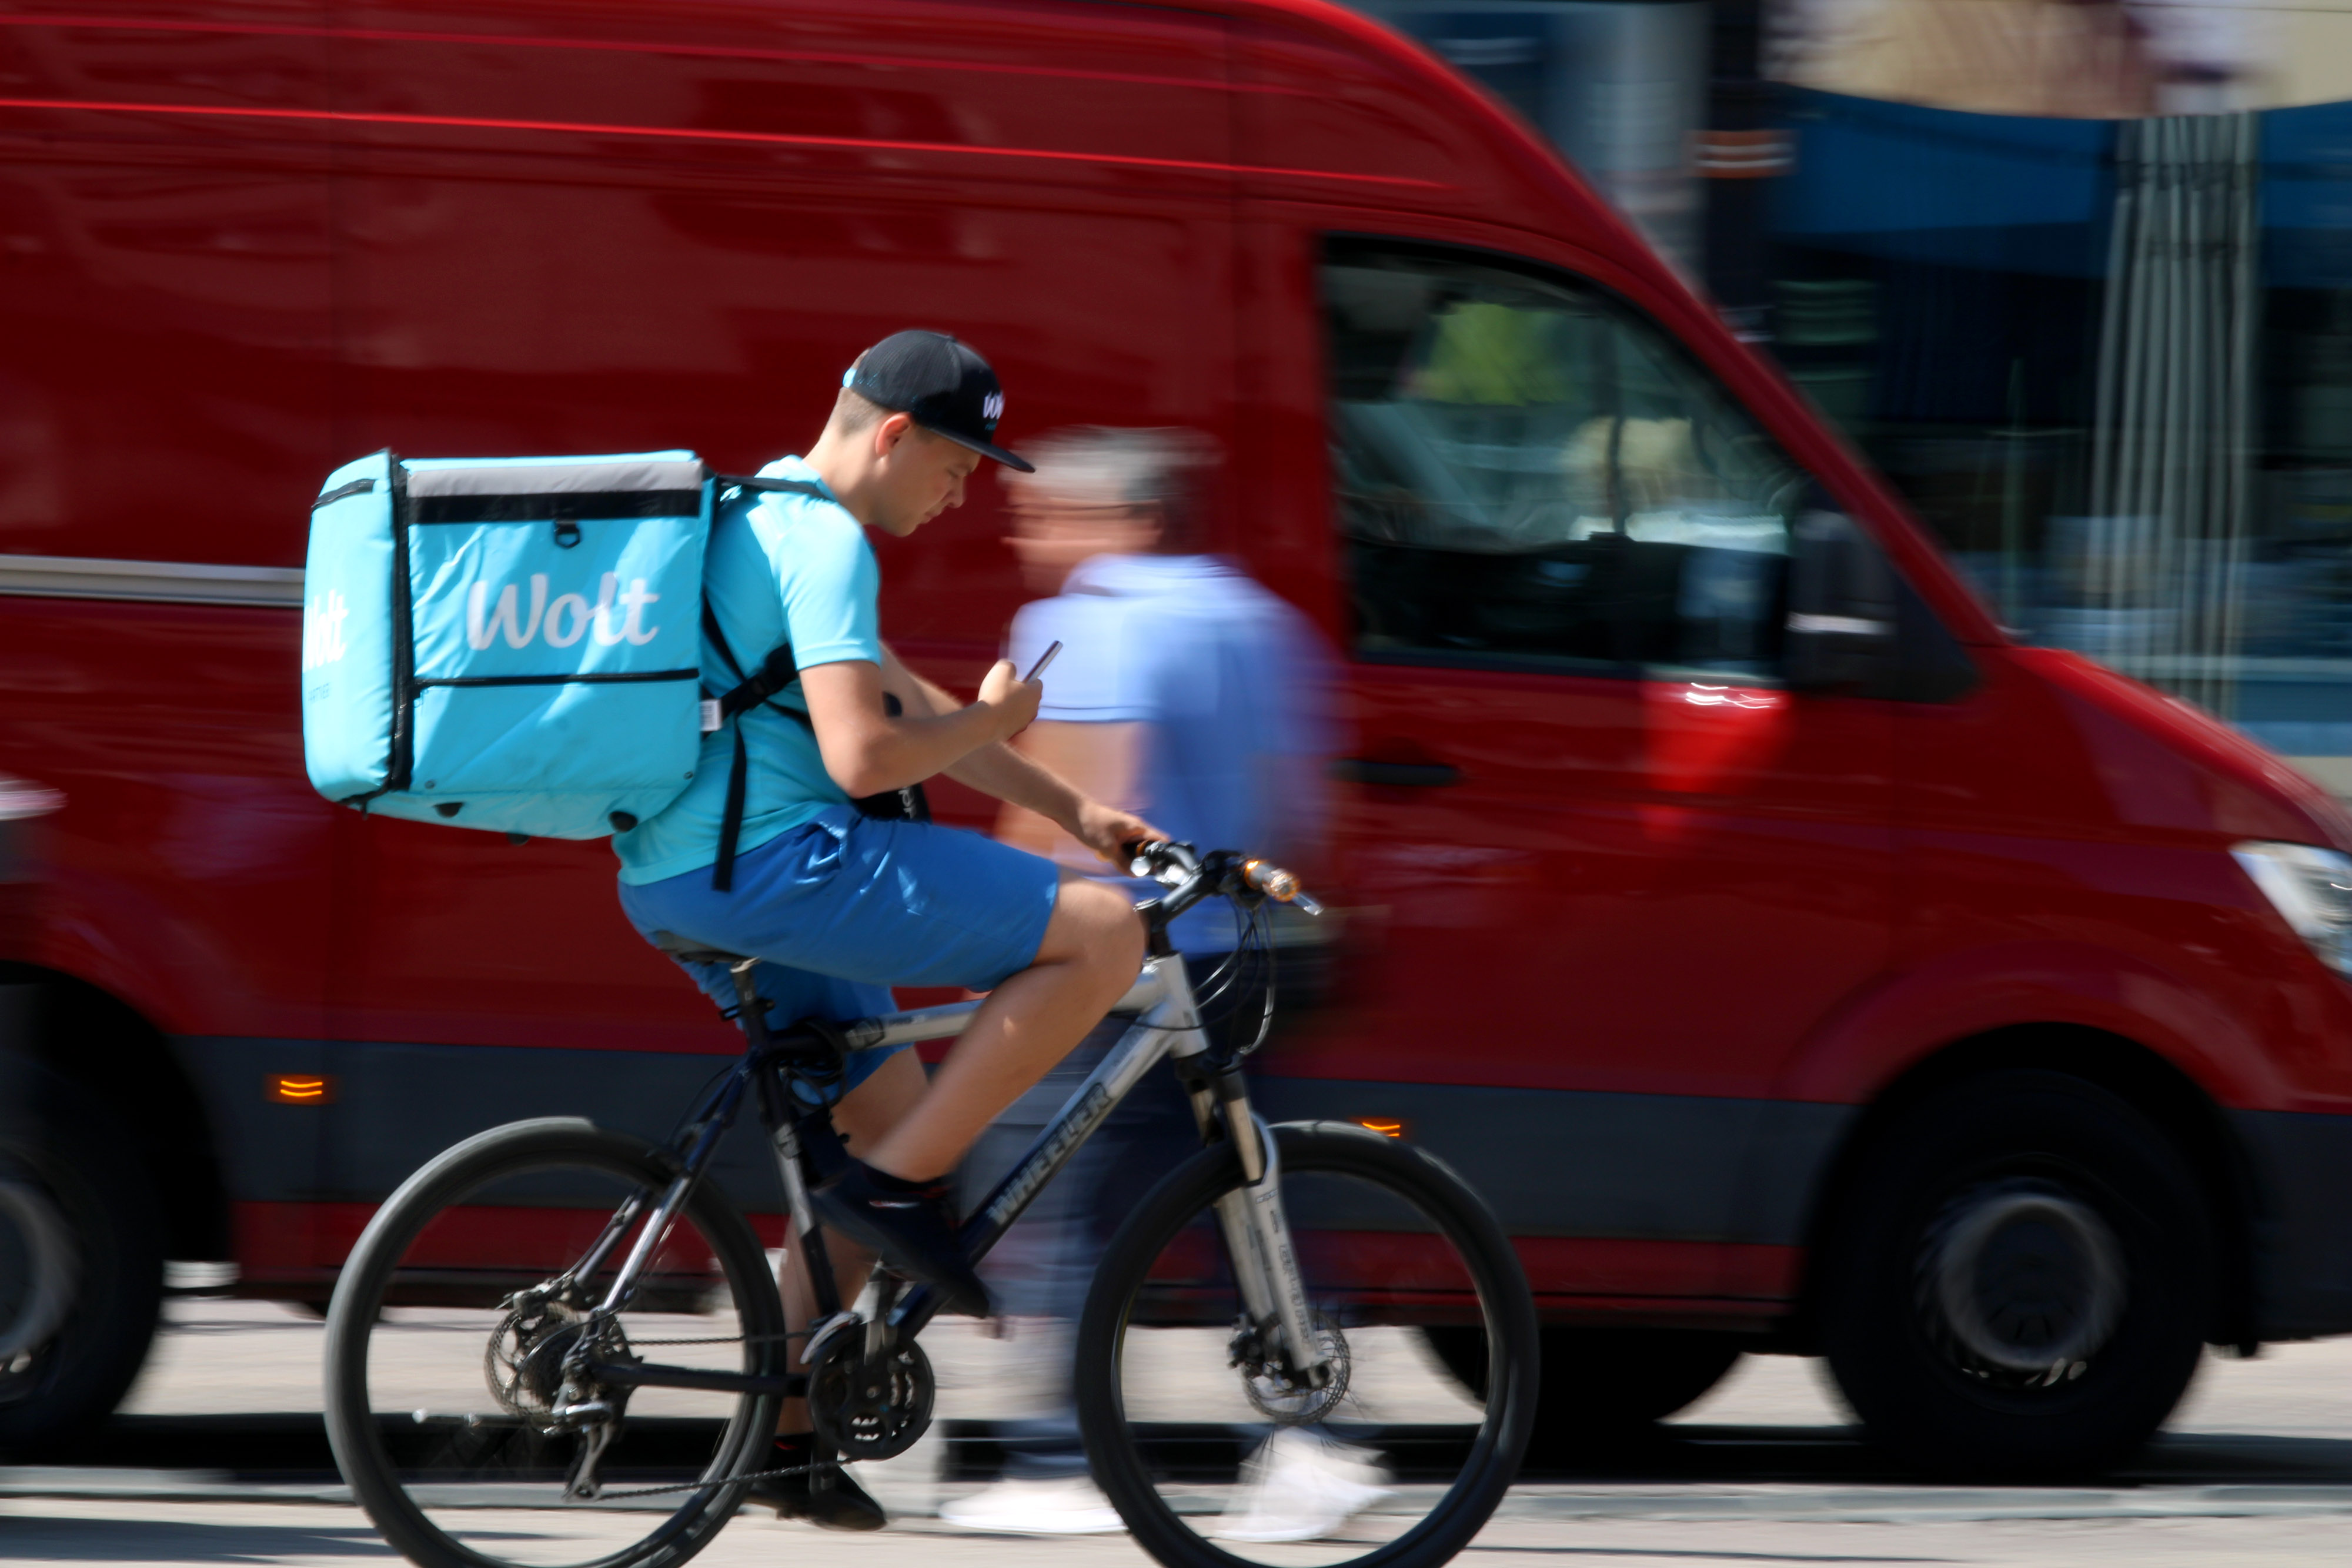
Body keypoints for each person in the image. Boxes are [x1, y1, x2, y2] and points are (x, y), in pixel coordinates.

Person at [610, 333, 1162, 1531]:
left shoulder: (762, 505)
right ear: (895, 435)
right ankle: (898, 1198)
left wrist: (1077, 808)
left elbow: (902, 697)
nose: (967, 491)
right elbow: (867, 755)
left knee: (889, 1123)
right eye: (960, 462)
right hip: (778, 872)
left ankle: (786, 1440)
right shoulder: (827, 544)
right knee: (1102, 939)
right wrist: (996, 724)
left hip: (678, 880)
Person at [937, 427, 1371, 1543]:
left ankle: (1055, 1457)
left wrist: (979, 941)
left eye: (1047, 517)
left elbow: (1071, 808)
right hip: (1240, 950)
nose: (1028, 536)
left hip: (1119, 959)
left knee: (1054, 1187)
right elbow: (1301, 806)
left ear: (1124, 521)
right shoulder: (1263, 622)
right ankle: (1314, 1435)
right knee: (1250, 1187)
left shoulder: (1088, 622)